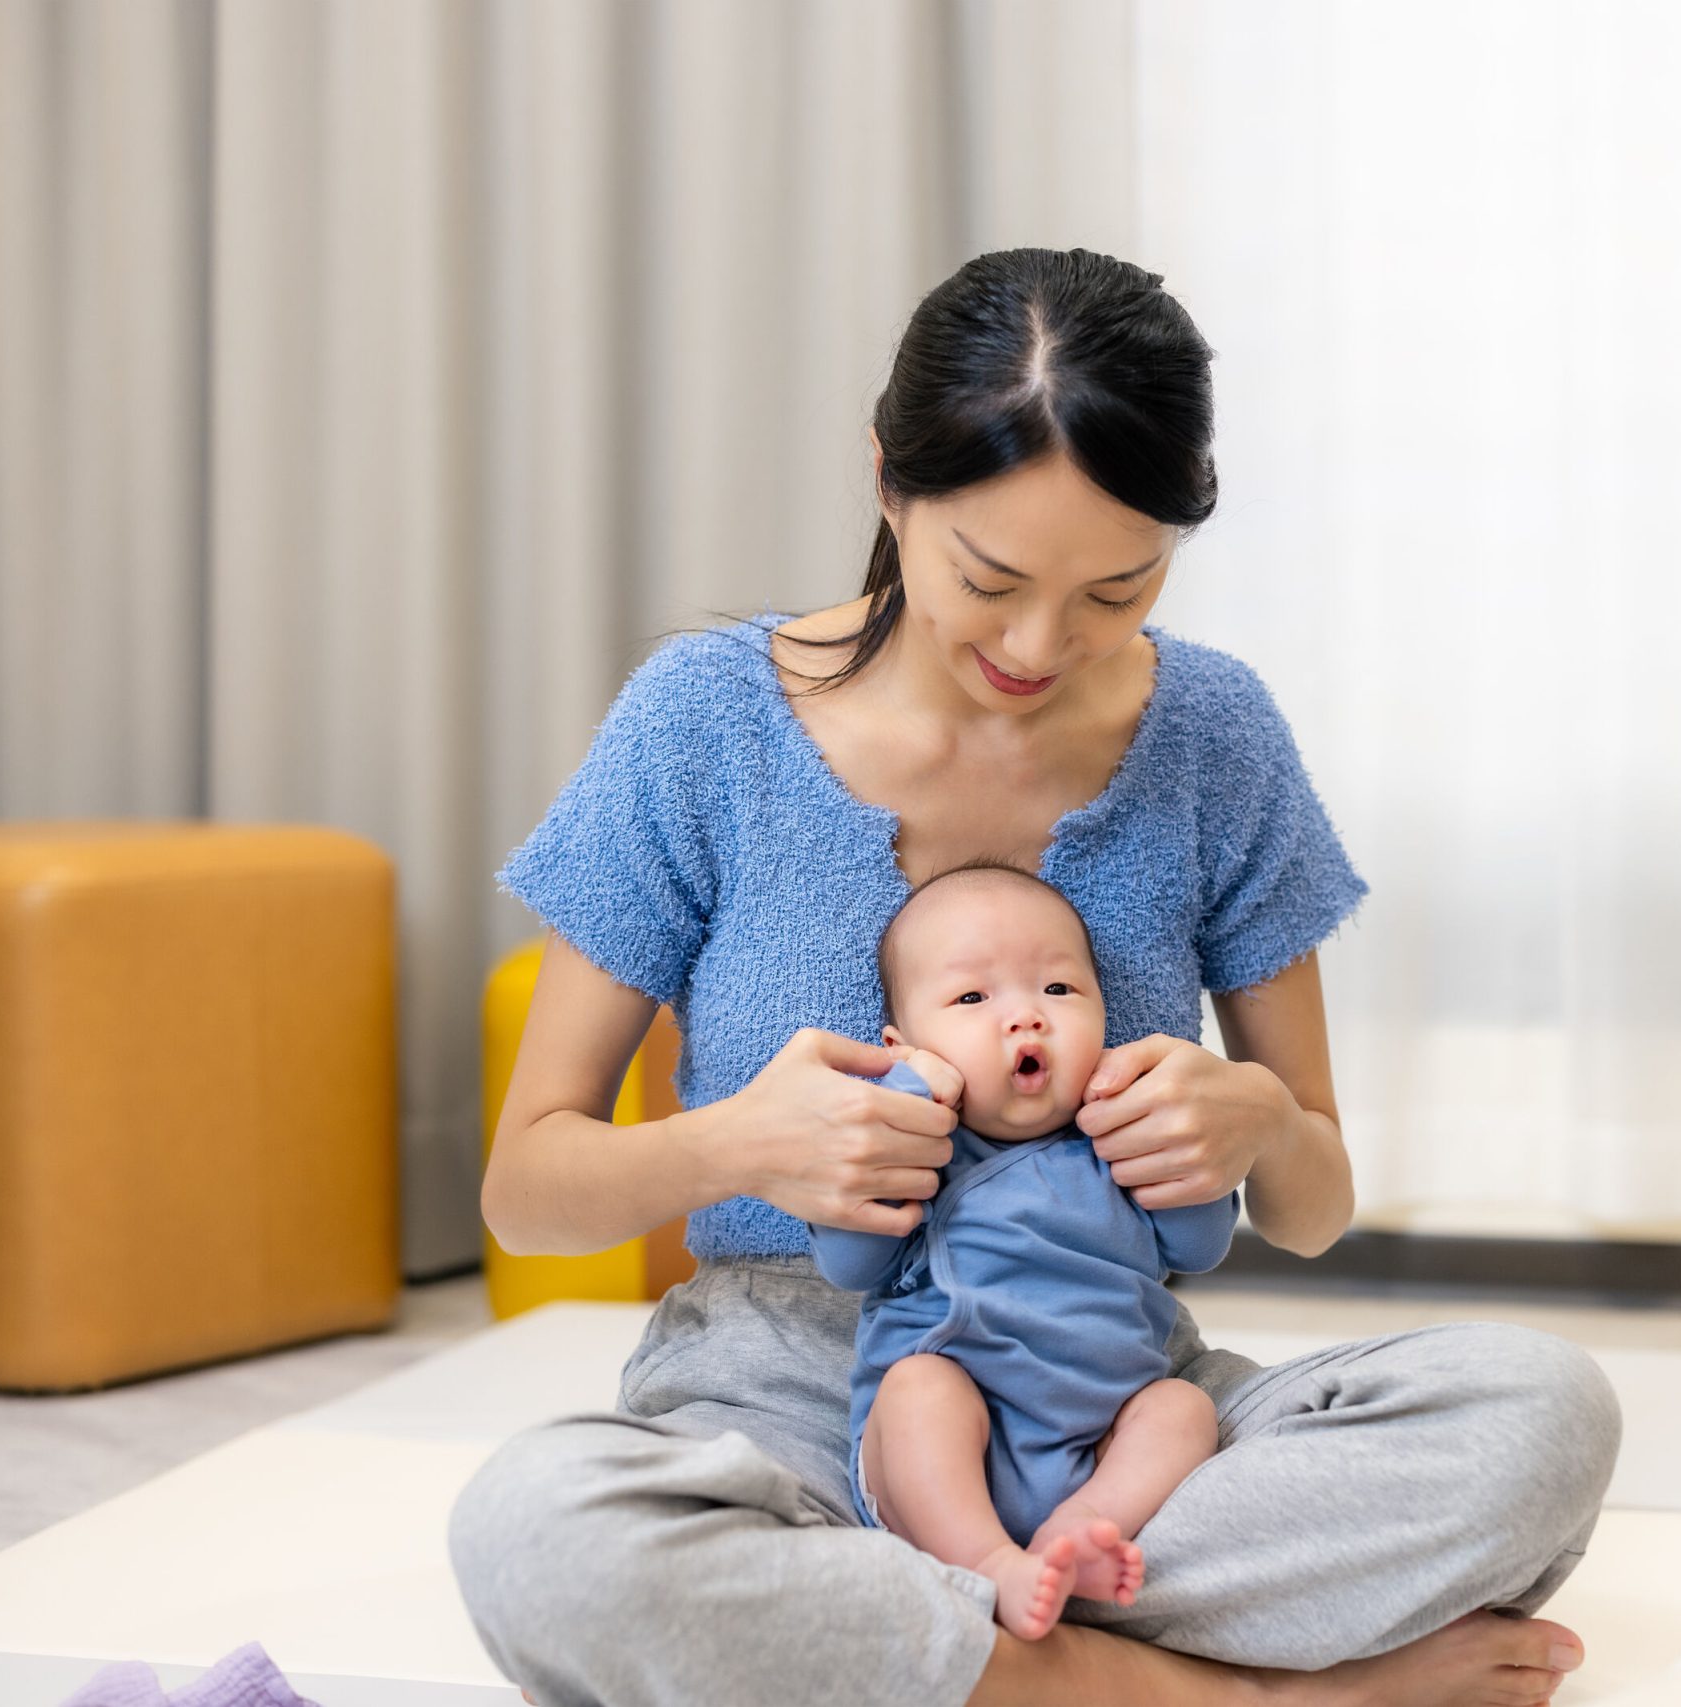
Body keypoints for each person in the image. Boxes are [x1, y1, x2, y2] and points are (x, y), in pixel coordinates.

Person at [451, 246, 1621, 1707]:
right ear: (889, 481)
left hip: (1122, 1411)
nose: (1035, 646)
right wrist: (744, 1140)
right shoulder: (705, 723)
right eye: (987, 578)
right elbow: (525, 1186)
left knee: (1537, 1413)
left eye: (1115, 592)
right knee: (545, 1533)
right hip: (792, 1397)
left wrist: (1254, 1119)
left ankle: (941, 1647)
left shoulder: (1212, 733)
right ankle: (1253, 1694)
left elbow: (1315, 1205)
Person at [811, 861, 1236, 1641]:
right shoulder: (930, 1151)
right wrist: (907, 1097)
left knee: (1182, 1409)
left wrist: (1184, 1139)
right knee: (919, 1389)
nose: (1025, 1019)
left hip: (1096, 1438)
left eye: (1059, 991)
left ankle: (1077, 1533)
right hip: (942, 1452)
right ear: (906, 1045)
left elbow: (1200, 1245)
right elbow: (847, 1262)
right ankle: (987, 1559)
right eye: (973, 998)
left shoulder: (1113, 1143)